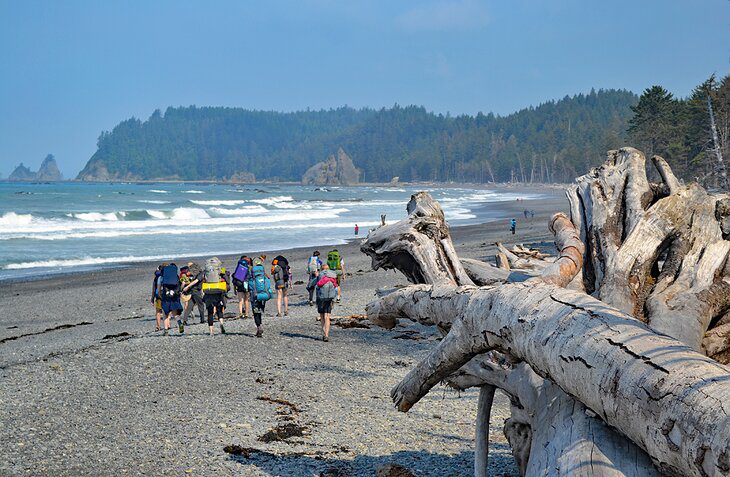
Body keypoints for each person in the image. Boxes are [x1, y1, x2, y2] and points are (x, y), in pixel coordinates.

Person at [202, 257, 229, 336]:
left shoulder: (206, 271)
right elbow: (226, 279)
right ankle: (221, 323)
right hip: (218, 291)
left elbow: (203, 280)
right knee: (219, 309)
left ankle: (211, 331)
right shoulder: (220, 269)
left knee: (210, 312)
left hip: (208, 291)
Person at [248, 257, 273, 337]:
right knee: (259, 310)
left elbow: (249, 285)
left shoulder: (251, 273)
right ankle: (260, 324)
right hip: (263, 293)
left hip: (254, 295)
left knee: (255, 312)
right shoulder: (263, 273)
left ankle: (259, 326)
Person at [157, 263, 184, 335]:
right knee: (175, 313)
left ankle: (166, 331)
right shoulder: (176, 276)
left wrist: (160, 296)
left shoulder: (161, 277)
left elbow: (159, 289)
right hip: (174, 296)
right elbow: (179, 286)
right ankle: (180, 323)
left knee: (165, 314)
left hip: (165, 297)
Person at [316, 264, 338, 342]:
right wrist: (336, 298)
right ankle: (327, 335)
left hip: (321, 298)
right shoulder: (332, 275)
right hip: (330, 297)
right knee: (327, 316)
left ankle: (324, 333)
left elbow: (316, 286)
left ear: (322, 269)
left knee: (322, 316)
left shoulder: (320, 275)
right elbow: (336, 287)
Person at [151, 264, 165, 332]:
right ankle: (167, 325)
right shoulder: (167, 275)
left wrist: (152, 298)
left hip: (158, 295)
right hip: (166, 295)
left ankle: (158, 326)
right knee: (167, 311)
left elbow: (154, 289)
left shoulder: (156, 277)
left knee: (158, 311)